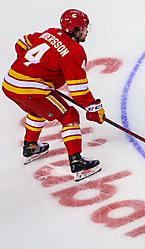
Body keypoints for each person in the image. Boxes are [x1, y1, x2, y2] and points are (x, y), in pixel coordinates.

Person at [2, 9, 105, 181]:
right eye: (84, 28)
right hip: (30, 88)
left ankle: (31, 146)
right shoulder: (74, 52)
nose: (86, 31)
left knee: (37, 110)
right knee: (69, 115)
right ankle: (77, 162)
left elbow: (22, 43)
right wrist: (93, 108)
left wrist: (32, 68)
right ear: (76, 30)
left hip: (10, 83)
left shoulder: (50, 33)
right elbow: (79, 90)